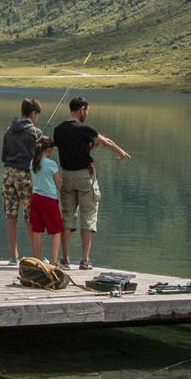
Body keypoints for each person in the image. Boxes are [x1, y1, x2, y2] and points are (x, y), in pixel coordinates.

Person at [51, 96, 130, 270]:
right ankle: (85, 261)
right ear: (81, 110)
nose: (87, 113)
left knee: (67, 217)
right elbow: (104, 141)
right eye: (86, 110)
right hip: (84, 177)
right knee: (88, 217)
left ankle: (64, 260)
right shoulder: (85, 128)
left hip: (66, 176)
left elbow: (66, 148)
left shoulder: (58, 129)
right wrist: (121, 152)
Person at [0, 97, 47, 263]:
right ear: (33, 113)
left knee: (10, 215)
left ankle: (14, 256)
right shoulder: (36, 133)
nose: (37, 118)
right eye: (37, 115)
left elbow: (4, 156)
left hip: (7, 174)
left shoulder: (9, 130)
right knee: (31, 216)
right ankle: (36, 256)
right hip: (25, 175)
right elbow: (41, 159)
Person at [27, 136, 67, 265]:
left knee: (37, 230)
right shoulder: (52, 164)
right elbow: (58, 184)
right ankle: (54, 262)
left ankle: (37, 261)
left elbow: (33, 183)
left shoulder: (32, 163)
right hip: (49, 201)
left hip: (35, 199)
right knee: (56, 230)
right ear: (49, 149)